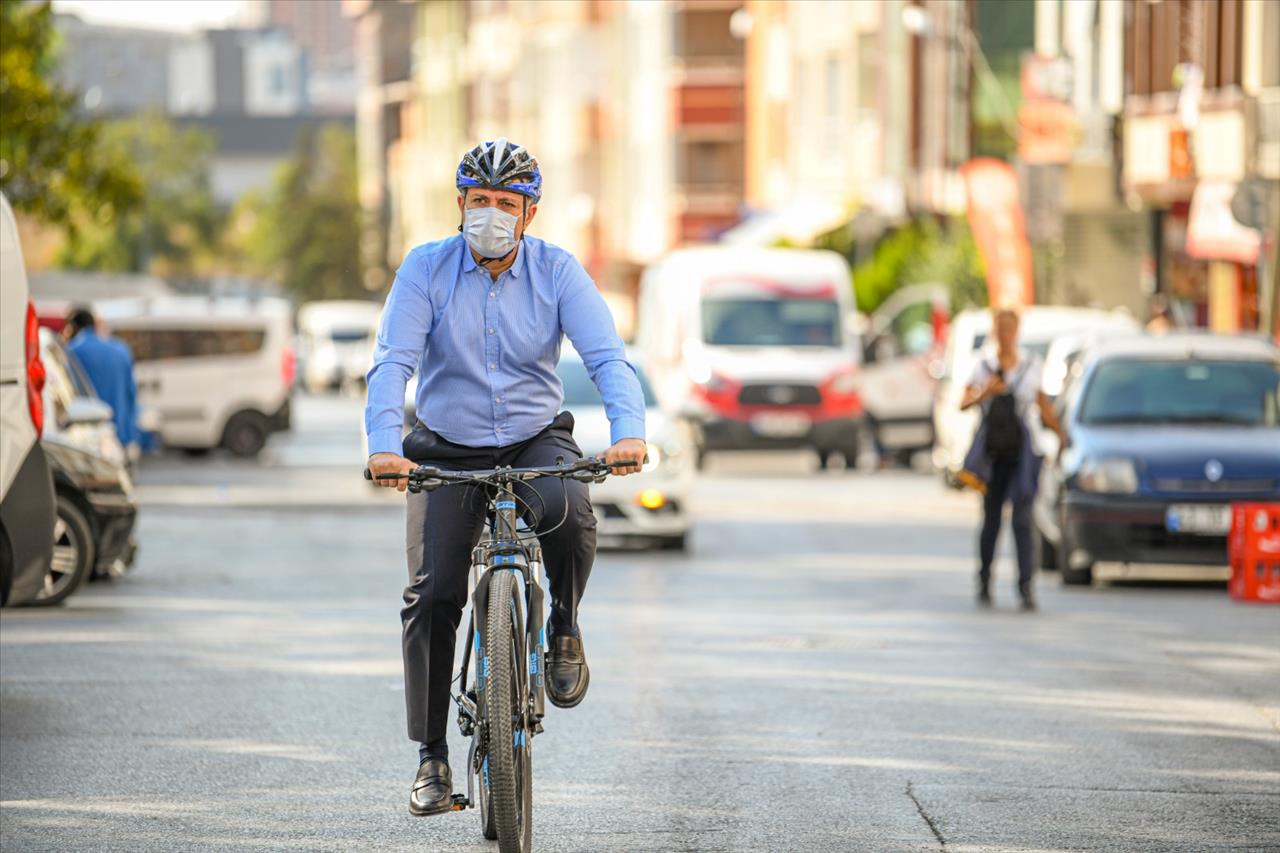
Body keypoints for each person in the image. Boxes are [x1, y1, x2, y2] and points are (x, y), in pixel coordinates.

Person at [364, 139, 647, 817]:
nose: (492, 214)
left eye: (507, 204)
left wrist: (630, 431)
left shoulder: (557, 271)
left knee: (571, 513)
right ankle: (431, 756)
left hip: (534, 438)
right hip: (444, 448)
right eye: (480, 201)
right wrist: (384, 446)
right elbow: (391, 363)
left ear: (530, 213)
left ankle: (564, 627)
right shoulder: (425, 269)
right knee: (432, 594)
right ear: (460, 203)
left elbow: (608, 356)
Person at [960, 307, 1065, 611]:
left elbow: (1043, 404)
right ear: (995, 332)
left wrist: (1060, 435)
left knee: (1023, 521)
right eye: (1000, 328)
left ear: (1017, 331)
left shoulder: (1031, 365)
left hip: (1022, 454)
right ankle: (984, 580)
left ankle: (1026, 586)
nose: (1005, 334)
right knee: (991, 520)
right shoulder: (984, 367)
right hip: (994, 455)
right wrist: (985, 392)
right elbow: (963, 402)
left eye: (1010, 328)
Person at [64, 307, 139, 456]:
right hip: (120, 432)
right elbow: (131, 393)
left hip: (87, 437)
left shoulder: (72, 351)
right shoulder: (121, 349)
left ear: (73, 327)